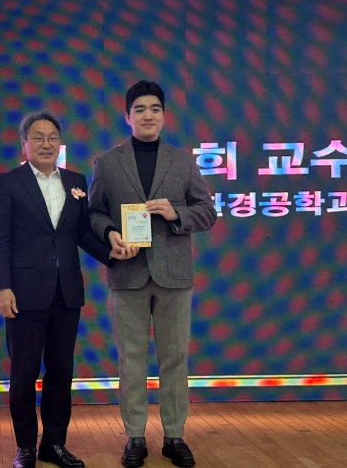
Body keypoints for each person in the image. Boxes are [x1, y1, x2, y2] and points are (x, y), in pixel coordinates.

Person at [0, 109, 128, 468]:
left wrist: (110, 254)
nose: (46, 143)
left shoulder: (74, 181)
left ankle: (54, 444)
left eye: (52, 137)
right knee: (23, 375)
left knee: (61, 373)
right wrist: (2, 287)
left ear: (60, 143)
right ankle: (25, 447)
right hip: (23, 294)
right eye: (38, 137)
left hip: (66, 293)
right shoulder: (7, 183)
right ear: (24, 143)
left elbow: (80, 234)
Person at [88, 80, 217, 468]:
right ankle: (135, 437)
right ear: (127, 116)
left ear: (164, 115)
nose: (148, 115)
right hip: (127, 272)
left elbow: (207, 213)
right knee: (131, 361)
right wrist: (109, 234)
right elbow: (94, 213)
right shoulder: (107, 163)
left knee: (175, 358)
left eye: (155, 109)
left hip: (174, 276)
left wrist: (176, 213)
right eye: (140, 109)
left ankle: (175, 436)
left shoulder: (183, 162)